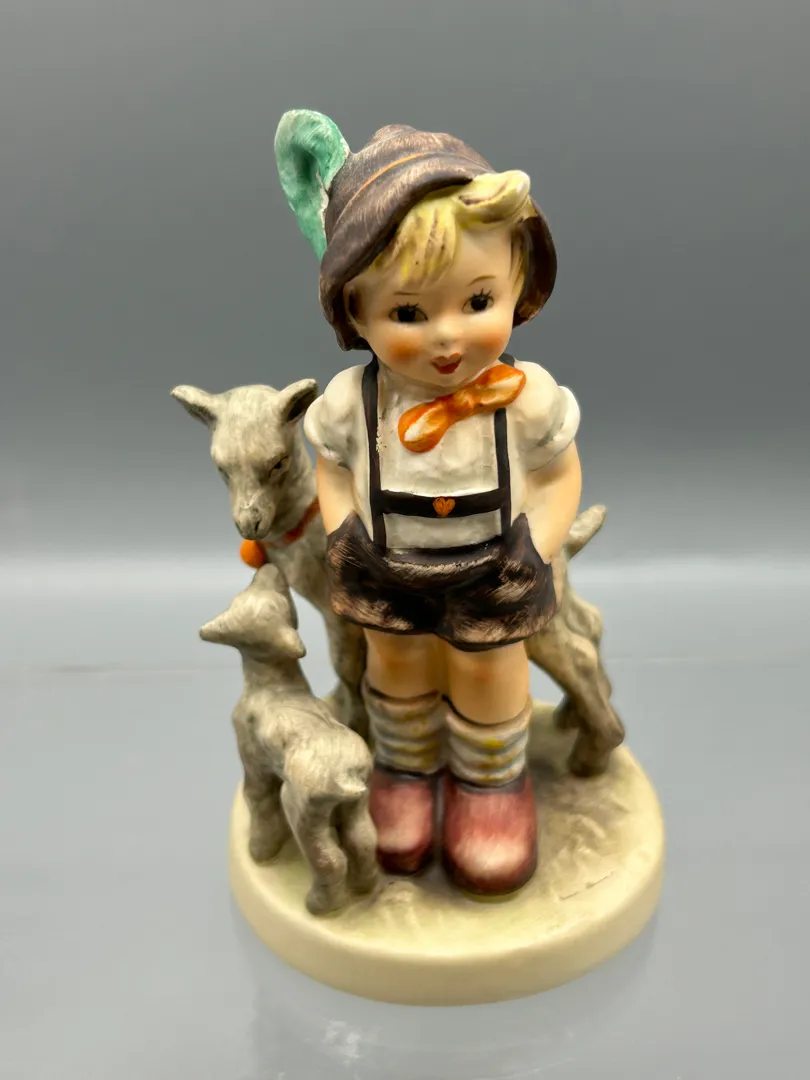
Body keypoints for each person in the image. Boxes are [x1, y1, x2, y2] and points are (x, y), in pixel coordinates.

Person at [275, 111, 582, 896]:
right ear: (355, 312)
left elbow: (557, 477)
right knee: (398, 665)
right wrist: (345, 531)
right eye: (408, 314)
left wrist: (537, 547)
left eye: (477, 301)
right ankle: (406, 773)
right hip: (389, 571)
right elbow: (333, 470)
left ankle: (490, 787)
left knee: (489, 670)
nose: (447, 337)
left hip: (493, 570)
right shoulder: (355, 404)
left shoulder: (526, 400)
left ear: (518, 282)